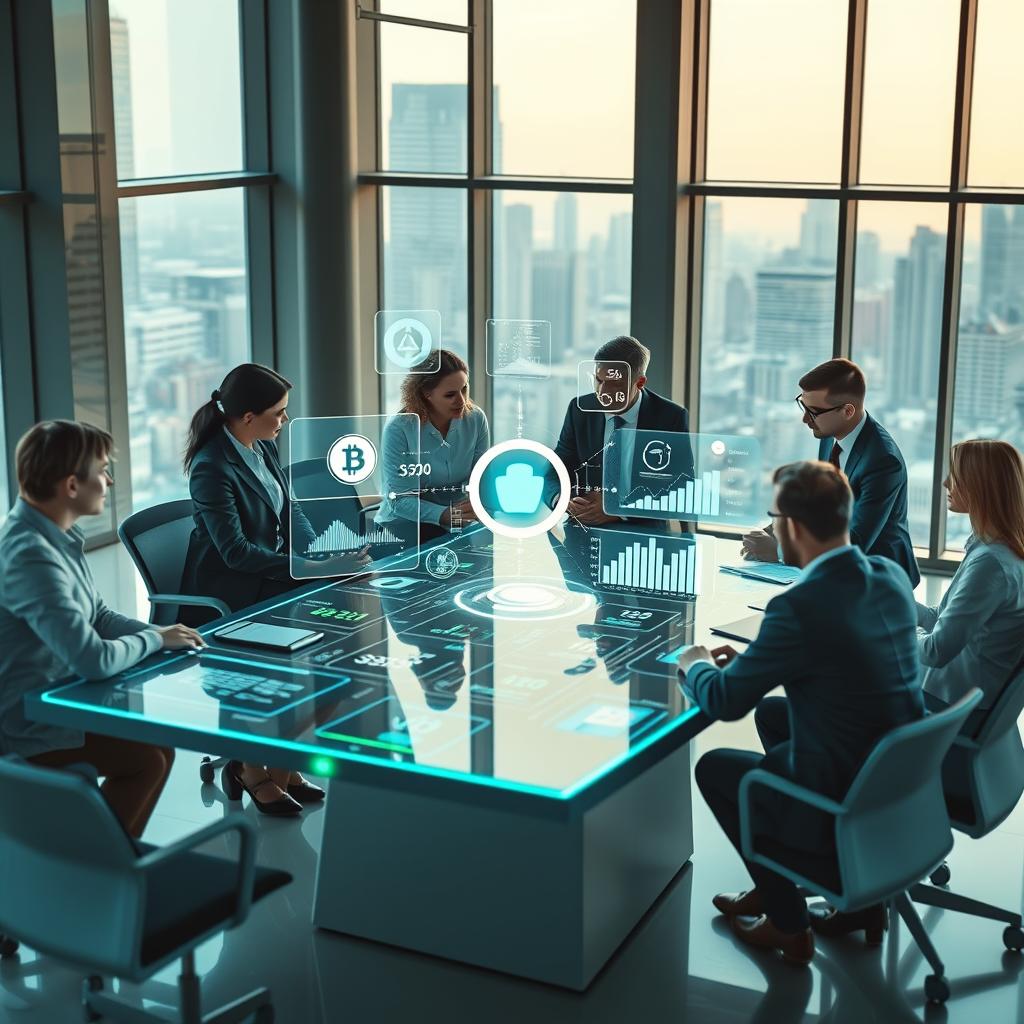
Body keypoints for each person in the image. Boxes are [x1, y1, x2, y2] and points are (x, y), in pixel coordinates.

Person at [678, 461, 923, 965]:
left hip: (844, 784)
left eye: (773, 518)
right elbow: (839, 656)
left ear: (791, 525)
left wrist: (694, 664)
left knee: (718, 768)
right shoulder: (890, 576)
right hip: (894, 777)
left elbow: (726, 703)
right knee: (773, 713)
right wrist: (760, 661)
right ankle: (854, 906)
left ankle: (788, 923)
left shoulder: (800, 605)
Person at [0, 421, 205, 838]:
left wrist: (171, 635)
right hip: (26, 724)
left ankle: (105, 864)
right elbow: (92, 659)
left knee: (158, 749)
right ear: (72, 485)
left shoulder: (55, 535)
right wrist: (152, 638)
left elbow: (99, 617)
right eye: (103, 470)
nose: (109, 480)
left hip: (61, 699)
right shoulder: (29, 556)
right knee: (146, 759)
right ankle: (94, 871)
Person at [183, 363, 365, 815]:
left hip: (275, 579)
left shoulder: (259, 447)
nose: (284, 421)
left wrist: (320, 553)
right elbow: (236, 553)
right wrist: (306, 568)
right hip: (234, 594)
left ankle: (276, 764)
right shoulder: (211, 468)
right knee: (302, 663)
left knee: (343, 652)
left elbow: (288, 510)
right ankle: (252, 769)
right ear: (248, 416)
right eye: (279, 413)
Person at [742, 358, 920, 586]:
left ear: (847, 411)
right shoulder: (831, 434)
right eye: (803, 406)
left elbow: (855, 542)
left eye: (814, 411)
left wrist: (779, 551)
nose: (805, 419)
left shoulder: (883, 461)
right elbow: (820, 505)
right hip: (837, 572)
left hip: (878, 579)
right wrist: (775, 530)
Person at [917, 439, 1024, 728]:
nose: (945, 482)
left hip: (953, 706)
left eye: (955, 474)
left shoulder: (990, 564)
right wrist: (900, 604)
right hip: (971, 696)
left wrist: (896, 629)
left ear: (980, 485)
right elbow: (943, 619)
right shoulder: (998, 550)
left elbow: (935, 651)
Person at [544, 335, 690, 526]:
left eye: (615, 384)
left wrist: (618, 509)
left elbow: (682, 487)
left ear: (640, 383)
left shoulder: (670, 417)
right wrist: (562, 501)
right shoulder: (580, 409)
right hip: (583, 529)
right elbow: (555, 470)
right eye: (598, 380)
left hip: (643, 536)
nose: (602, 392)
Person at [376, 349, 490, 542]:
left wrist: (473, 505)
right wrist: (445, 515)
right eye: (450, 394)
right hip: (402, 529)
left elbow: (480, 479)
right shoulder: (400, 428)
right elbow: (400, 499)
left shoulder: (476, 419)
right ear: (426, 393)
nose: (462, 401)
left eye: (464, 389)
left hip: (456, 525)